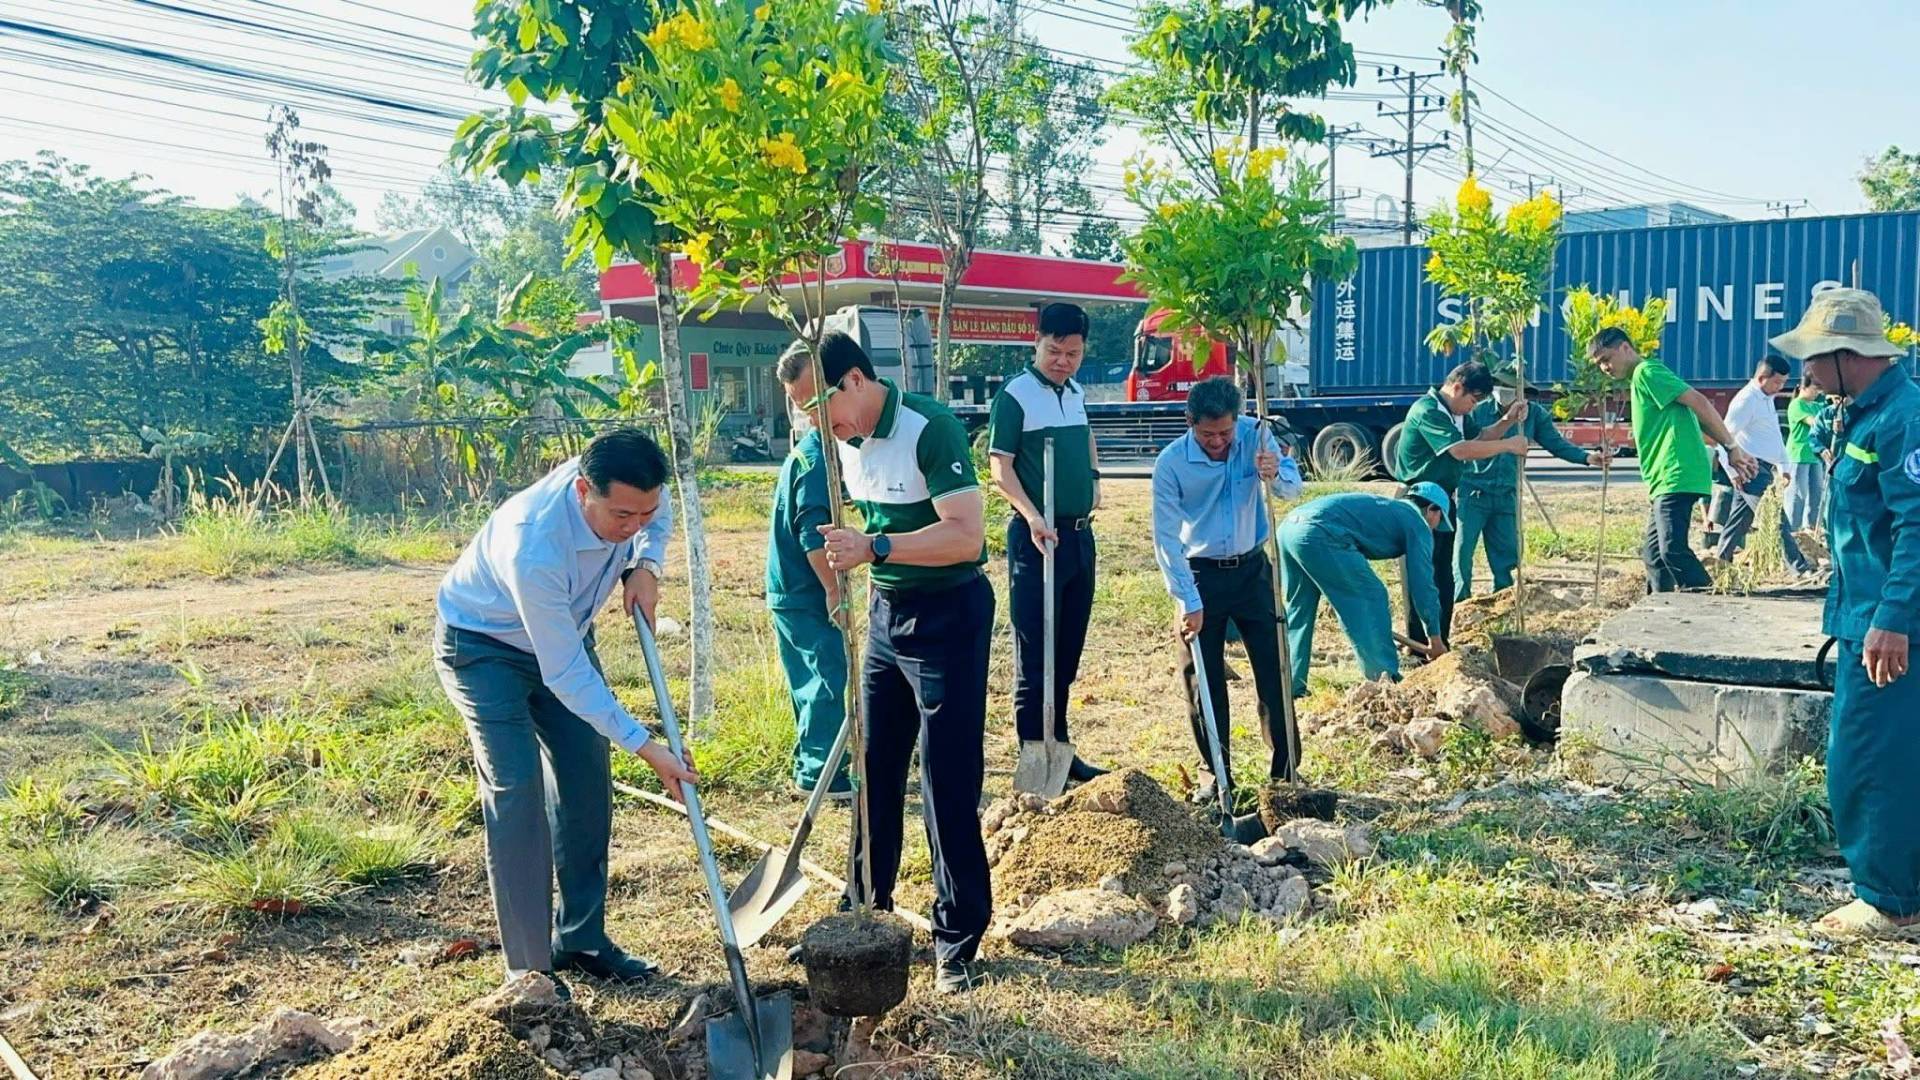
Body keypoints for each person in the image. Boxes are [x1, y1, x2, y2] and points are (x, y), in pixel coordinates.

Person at [434, 429, 699, 994]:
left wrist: (646, 565)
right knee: (516, 789)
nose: (633, 523)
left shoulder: (637, 488)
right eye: (621, 515)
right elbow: (565, 674)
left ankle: (582, 938)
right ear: (583, 490)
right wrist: (648, 747)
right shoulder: (534, 544)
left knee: (585, 780)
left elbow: (656, 518)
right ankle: (530, 974)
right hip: (483, 648)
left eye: (643, 511)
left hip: (565, 637)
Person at [779, 331, 993, 995]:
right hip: (887, 618)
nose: (812, 424)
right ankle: (864, 909)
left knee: (946, 779)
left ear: (852, 382)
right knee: (875, 768)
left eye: (814, 405)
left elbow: (966, 538)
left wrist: (876, 544)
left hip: (949, 617)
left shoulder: (931, 429)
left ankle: (957, 939)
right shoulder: (840, 444)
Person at [1767, 287, 1920, 939]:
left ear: (1848, 355)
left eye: (1812, 358)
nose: (1802, 372)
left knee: (1866, 759)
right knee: (1893, 756)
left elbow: (1917, 523)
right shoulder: (1861, 410)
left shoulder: (1902, 417)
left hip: (1885, 626)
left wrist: (1894, 617)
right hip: (1865, 613)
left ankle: (1887, 902)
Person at [1150, 376, 1304, 796]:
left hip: (1253, 569)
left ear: (1238, 421)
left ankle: (1286, 774)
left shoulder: (1257, 435)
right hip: (1199, 573)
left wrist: (1275, 471)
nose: (1218, 442)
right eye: (1208, 434)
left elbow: (1292, 488)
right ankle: (1216, 777)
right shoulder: (1170, 464)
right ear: (1189, 422)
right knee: (1202, 677)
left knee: (1275, 669)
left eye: (1225, 432)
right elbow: (1165, 539)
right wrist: (1187, 599)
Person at [987, 302, 1107, 783]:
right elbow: (1001, 468)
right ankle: (1034, 754)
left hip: (1079, 538)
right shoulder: (1015, 396)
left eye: (1072, 353)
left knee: (1068, 651)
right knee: (1036, 653)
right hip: (1038, 540)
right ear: (1036, 343)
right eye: (1054, 350)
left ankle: (1061, 744)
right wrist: (1034, 517)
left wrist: (1095, 478)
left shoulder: (1075, 392)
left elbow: (1088, 437)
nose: (1062, 360)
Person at [1588, 327, 1759, 592]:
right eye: (1599, 364)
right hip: (1664, 478)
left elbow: (1699, 402)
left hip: (1675, 473)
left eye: (1606, 359)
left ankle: (1710, 606)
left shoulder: (1647, 372)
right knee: (1654, 556)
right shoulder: (1641, 379)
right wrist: (1727, 448)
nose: (1605, 368)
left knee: (1672, 550)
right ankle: (1658, 611)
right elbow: (1692, 418)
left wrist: (1731, 446)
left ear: (1625, 347)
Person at [1391, 360, 1531, 644]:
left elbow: (1479, 437)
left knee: (1443, 576)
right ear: (1457, 388)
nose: (1474, 407)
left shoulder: (1456, 414)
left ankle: (1441, 639)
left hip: (1442, 500)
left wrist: (1508, 421)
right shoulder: (1428, 411)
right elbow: (1461, 450)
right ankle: (1419, 645)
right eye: (1473, 399)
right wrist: (1508, 445)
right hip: (1418, 502)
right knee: (1421, 575)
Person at [1279, 485, 1452, 698]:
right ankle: (1385, 682)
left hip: (1289, 527)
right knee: (1371, 597)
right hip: (1319, 533)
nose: (1435, 528)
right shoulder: (1417, 522)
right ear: (1431, 510)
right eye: (1438, 521)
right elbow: (1423, 584)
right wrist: (1435, 638)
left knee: (1298, 609)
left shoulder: (1389, 509)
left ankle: (1289, 686)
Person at [1454, 372, 1606, 600]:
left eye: (1511, 386)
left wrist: (1586, 458)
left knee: (1507, 555)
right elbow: (1465, 446)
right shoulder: (1478, 411)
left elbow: (1556, 444)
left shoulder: (1533, 415)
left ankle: (1503, 601)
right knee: (1462, 554)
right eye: (1500, 385)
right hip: (1475, 492)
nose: (1504, 391)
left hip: (1506, 493)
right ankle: (1459, 603)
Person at [764, 400, 850, 799]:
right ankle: (821, 774)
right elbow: (813, 536)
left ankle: (809, 762)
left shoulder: (807, 453)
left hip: (789, 587)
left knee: (807, 679)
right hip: (806, 590)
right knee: (828, 678)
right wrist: (834, 591)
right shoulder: (817, 463)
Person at [1714, 355, 1814, 574]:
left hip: (1764, 469)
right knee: (1777, 519)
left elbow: (1773, 436)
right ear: (1762, 378)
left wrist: (1784, 466)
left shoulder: (1766, 399)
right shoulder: (1746, 400)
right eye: (1777, 382)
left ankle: (1722, 561)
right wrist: (1731, 471)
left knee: (1741, 519)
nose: (1780, 388)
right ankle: (1799, 568)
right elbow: (1724, 437)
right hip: (1751, 469)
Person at [1785, 379, 1828, 533]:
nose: (1817, 393)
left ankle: (1810, 527)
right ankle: (1792, 530)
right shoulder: (1796, 405)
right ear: (1803, 387)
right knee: (1798, 495)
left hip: (1815, 455)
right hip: (1799, 455)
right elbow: (1814, 422)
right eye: (1815, 389)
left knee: (1816, 494)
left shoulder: (1816, 406)